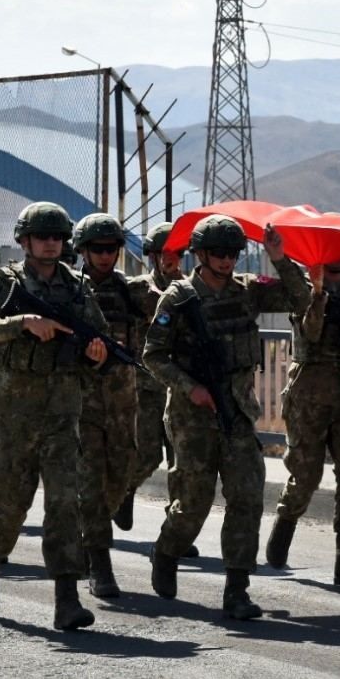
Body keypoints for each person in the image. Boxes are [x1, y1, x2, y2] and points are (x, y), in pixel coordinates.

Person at [143, 215, 311, 620]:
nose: (226, 260)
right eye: (218, 252)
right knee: (194, 503)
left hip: (236, 413)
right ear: (199, 254)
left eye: (233, 253)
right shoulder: (179, 297)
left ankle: (237, 588)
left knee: (247, 497)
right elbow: (153, 355)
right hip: (192, 416)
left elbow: (301, 299)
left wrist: (279, 258)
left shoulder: (248, 292)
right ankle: (167, 551)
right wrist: (190, 388)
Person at [0, 202, 109, 631]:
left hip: (63, 411)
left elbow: (95, 338)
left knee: (64, 501)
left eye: (58, 237)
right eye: (43, 236)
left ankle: (66, 598)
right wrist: (22, 322)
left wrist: (97, 354)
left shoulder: (79, 288)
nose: (51, 243)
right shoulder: (5, 282)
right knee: (10, 501)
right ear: (25, 241)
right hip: (15, 412)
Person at [264, 258, 340, 587]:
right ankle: (282, 532)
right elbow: (310, 333)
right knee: (306, 476)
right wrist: (317, 292)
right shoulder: (302, 288)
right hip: (309, 397)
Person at [70, 212, 140, 599]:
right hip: (81, 399)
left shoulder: (129, 290)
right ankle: (100, 562)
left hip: (122, 399)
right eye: (97, 249)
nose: (104, 255)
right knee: (92, 482)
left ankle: (86, 537)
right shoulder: (69, 291)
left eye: (111, 248)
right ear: (82, 250)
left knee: (122, 474)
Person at [115, 222, 187, 543]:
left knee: (180, 462)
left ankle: (175, 533)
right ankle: (125, 490)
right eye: (167, 254)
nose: (173, 260)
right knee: (147, 455)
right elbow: (152, 304)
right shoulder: (139, 288)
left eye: (178, 253)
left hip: (180, 388)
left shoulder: (190, 290)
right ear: (155, 256)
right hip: (146, 387)